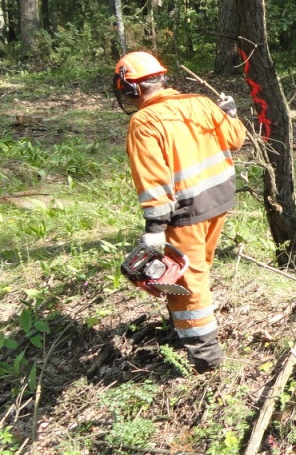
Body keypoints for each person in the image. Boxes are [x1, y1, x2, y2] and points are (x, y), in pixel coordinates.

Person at [113, 51, 246, 372]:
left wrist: (155, 229)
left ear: (131, 89)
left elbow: (154, 181)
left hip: (186, 212)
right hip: (220, 199)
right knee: (199, 268)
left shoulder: (144, 122)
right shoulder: (200, 102)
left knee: (187, 284)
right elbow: (237, 139)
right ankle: (184, 332)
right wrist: (229, 114)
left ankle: (205, 358)